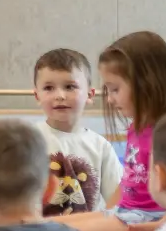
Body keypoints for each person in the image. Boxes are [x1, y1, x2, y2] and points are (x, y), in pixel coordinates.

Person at [57, 33, 166, 231]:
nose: (109, 99)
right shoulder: (137, 127)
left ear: (146, 84)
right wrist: (105, 214)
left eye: (115, 89)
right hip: (128, 213)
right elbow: (127, 185)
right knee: (43, 228)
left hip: (152, 219)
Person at [35, 48, 123, 216]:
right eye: (49, 88)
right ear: (37, 95)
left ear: (89, 94)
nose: (60, 95)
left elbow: (118, 200)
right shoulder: (27, 141)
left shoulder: (100, 147)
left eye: (70, 87)